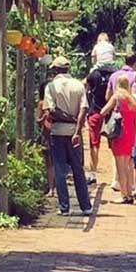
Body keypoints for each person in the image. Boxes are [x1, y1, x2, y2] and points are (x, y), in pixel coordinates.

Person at [43, 56, 92, 216]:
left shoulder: (51, 87)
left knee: (59, 169)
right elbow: (84, 108)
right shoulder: (79, 85)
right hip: (74, 132)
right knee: (78, 168)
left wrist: (68, 118)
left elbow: (51, 110)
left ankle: (64, 207)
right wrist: (77, 129)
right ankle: (86, 206)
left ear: (55, 70)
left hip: (58, 132)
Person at [100, 75, 136, 204]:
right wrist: (135, 134)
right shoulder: (133, 99)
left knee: (120, 166)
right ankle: (129, 193)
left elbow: (103, 111)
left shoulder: (117, 97)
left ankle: (124, 195)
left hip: (119, 133)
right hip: (130, 133)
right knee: (127, 165)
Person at [105, 52, 136, 190]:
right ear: (135, 62)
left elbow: (108, 96)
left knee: (117, 155)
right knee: (128, 158)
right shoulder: (135, 76)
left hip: (117, 120)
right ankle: (130, 187)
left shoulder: (113, 76)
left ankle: (117, 181)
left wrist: (115, 105)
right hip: (131, 121)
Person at [85, 62, 117, 185]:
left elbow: (86, 87)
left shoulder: (94, 74)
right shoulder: (115, 75)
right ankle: (116, 177)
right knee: (115, 144)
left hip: (95, 112)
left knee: (94, 144)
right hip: (111, 112)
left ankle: (93, 173)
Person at [37, 82, 55, 197]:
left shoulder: (56, 103)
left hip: (56, 132)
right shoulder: (41, 104)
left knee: (55, 162)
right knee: (49, 162)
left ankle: (54, 187)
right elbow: (38, 120)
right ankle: (51, 188)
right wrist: (44, 116)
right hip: (47, 134)